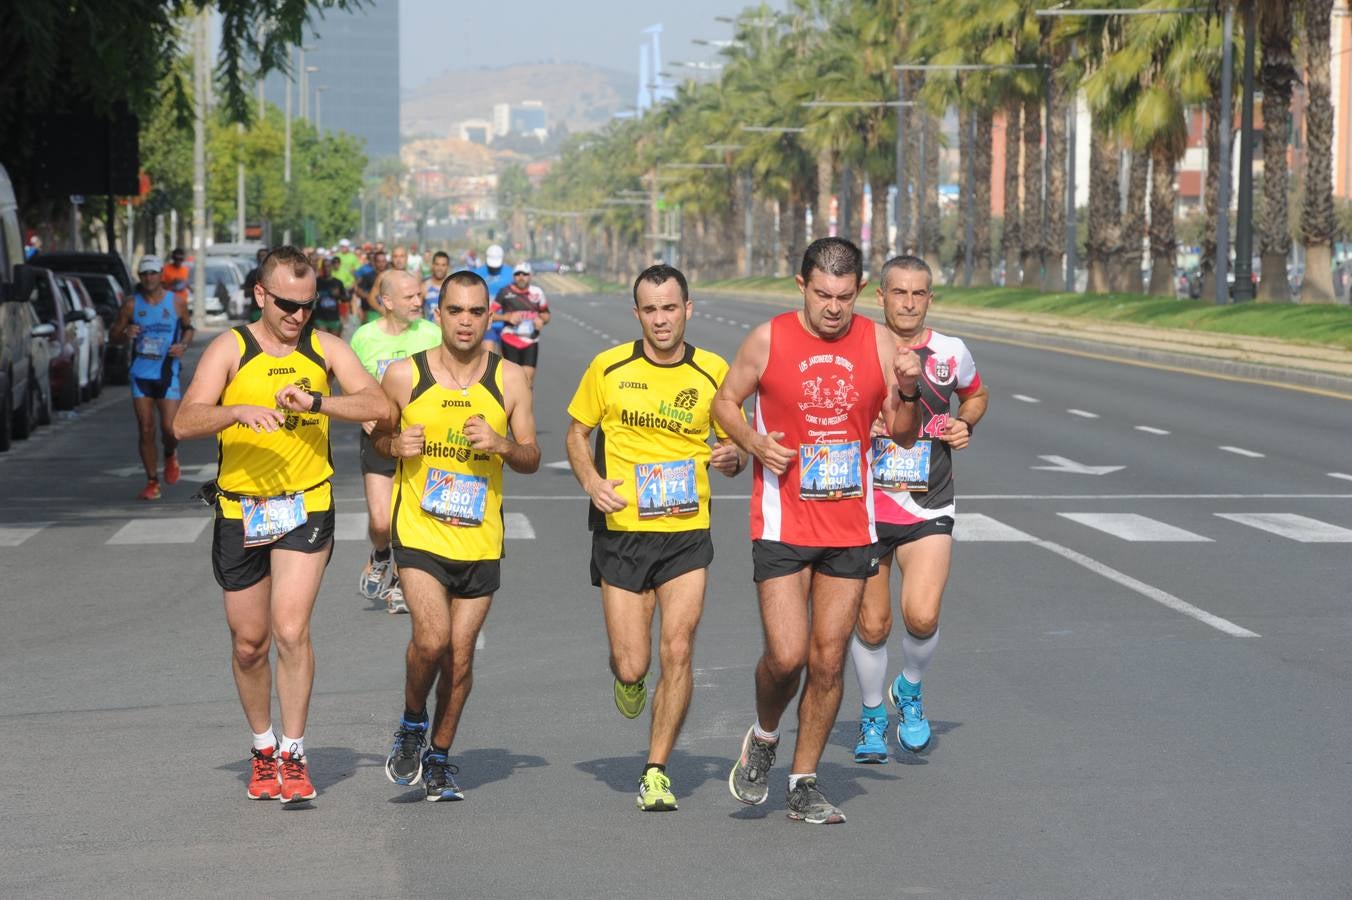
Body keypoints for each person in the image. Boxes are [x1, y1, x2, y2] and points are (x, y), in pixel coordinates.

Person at [712, 237, 922, 825]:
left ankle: (803, 781)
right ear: (801, 285)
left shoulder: (877, 341)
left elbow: (903, 432)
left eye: (846, 297)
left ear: (859, 293)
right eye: (824, 295)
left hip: (851, 523)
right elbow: (724, 402)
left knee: (828, 661)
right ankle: (764, 736)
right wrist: (754, 442)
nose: (835, 308)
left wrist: (906, 389)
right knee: (786, 656)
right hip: (783, 517)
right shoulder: (769, 338)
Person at [172, 245, 390, 803]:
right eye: (287, 304)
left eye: (307, 305)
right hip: (240, 508)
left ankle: (294, 752)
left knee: (290, 630)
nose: (297, 315)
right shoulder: (231, 348)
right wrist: (237, 411)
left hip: (304, 505)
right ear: (261, 295)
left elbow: (379, 406)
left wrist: (317, 403)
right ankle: (263, 748)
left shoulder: (325, 348)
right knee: (250, 642)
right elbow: (184, 422)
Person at [565, 264, 746, 811]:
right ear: (637, 313)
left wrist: (732, 458)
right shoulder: (609, 366)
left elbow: (733, 450)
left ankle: (657, 768)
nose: (662, 319)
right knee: (633, 664)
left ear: (689, 309)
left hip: (686, 532)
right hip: (621, 531)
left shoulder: (715, 371)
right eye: (651, 309)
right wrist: (592, 482)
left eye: (671, 307)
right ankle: (628, 678)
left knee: (680, 646)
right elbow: (578, 432)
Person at [372, 269, 540, 801]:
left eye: (475, 312)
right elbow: (377, 437)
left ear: (489, 316)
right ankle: (412, 721)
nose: (465, 321)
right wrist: (395, 447)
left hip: (480, 538)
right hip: (419, 532)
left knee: (461, 657)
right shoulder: (404, 375)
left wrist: (502, 444)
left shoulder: (510, 379)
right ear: (437, 314)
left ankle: (440, 756)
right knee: (431, 639)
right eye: (454, 311)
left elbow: (532, 456)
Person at [849, 255, 988, 763]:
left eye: (918, 294)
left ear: (930, 299)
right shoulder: (858, 348)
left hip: (929, 500)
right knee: (873, 625)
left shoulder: (951, 351)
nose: (908, 302)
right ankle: (869, 717)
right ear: (879, 296)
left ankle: (908, 688)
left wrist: (965, 422)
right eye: (898, 292)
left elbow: (975, 394)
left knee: (922, 616)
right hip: (864, 504)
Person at [350, 269, 443, 613]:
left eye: (419, 295)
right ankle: (380, 555)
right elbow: (351, 384)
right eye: (409, 297)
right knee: (380, 522)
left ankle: (403, 584)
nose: (419, 301)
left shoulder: (433, 334)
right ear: (387, 302)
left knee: (411, 520)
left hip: (421, 441)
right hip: (379, 438)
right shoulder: (364, 337)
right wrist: (363, 414)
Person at [111, 255, 195, 500]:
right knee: (146, 429)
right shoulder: (131, 305)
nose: (149, 278)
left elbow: (189, 328)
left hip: (168, 372)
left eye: (153, 273)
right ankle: (152, 481)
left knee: (170, 429)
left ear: (161, 275)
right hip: (140, 374)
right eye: (145, 274)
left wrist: (183, 345)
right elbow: (113, 335)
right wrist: (125, 331)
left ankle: (170, 454)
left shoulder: (176, 302)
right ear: (140, 276)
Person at [493, 261, 551, 386]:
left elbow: (546, 314)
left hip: (531, 340)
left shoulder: (537, 293)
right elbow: (489, 314)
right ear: (514, 276)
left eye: (525, 274)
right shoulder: (504, 292)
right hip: (509, 340)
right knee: (510, 382)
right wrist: (506, 317)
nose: (521, 277)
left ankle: (526, 406)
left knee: (527, 382)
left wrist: (542, 320)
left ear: (530, 276)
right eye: (518, 274)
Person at [473, 244, 513, 353]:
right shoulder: (477, 273)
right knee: (488, 358)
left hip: (507, 325)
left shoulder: (511, 274)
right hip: (486, 324)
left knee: (508, 363)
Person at [312, 254, 346, 336]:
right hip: (320, 317)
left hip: (334, 317)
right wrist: (317, 296)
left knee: (334, 343)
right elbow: (310, 298)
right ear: (322, 268)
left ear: (332, 267)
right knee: (322, 343)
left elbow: (346, 298)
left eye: (329, 266)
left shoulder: (338, 282)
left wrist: (337, 295)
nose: (327, 269)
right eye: (325, 266)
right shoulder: (316, 282)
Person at [354, 249, 388, 324]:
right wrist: (370, 297)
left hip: (388, 312)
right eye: (379, 261)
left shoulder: (390, 276)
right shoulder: (369, 276)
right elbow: (358, 291)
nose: (382, 264)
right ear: (375, 263)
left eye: (383, 261)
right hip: (371, 312)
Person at [422, 250, 451, 322]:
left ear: (448, 267)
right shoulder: (424, 286)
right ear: (432, 265)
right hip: (429, 331)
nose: (440, 268)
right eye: (437, 264)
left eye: (443, 265)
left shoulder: (452, 287)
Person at [243, 247, 269, 324]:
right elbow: (246, 293)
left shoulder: (276, 274)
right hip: (256, 310)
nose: (262, 258)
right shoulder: (252, 274)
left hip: (272, 310)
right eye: (261, 256)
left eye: (265, 256)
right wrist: (258, 289)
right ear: (257, 258)